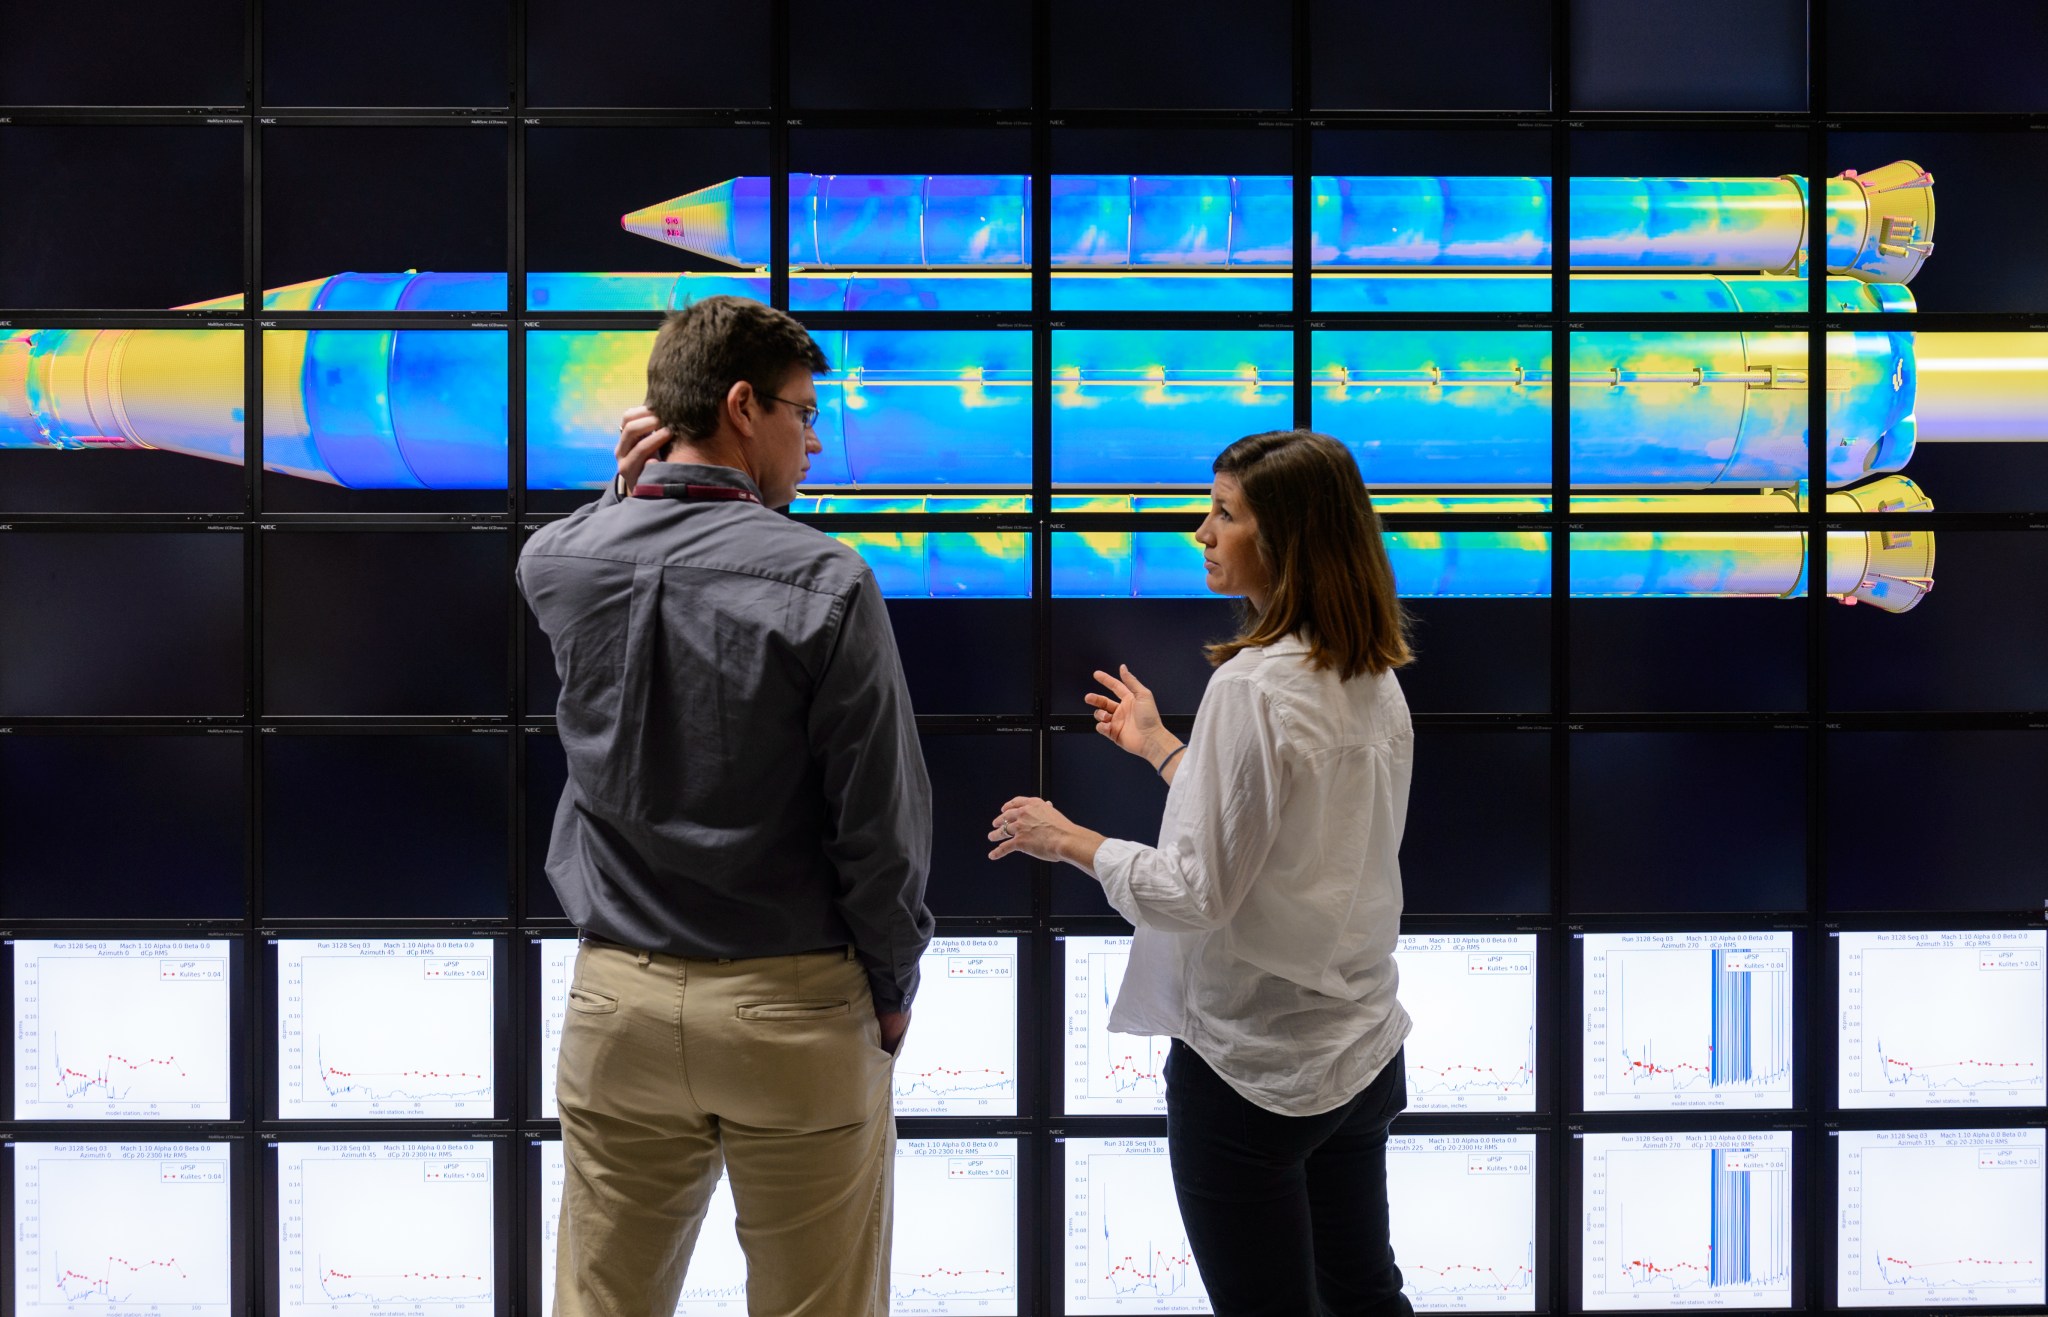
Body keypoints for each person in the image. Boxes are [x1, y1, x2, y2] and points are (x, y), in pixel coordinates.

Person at [519, 295, 934, 1317]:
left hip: (614, 1003)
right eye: (800, 411)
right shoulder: (828, 581)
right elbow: (877, 825)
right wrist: (888, 986)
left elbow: (584, 539)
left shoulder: (560, 560)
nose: (814, 438)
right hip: (791, 1012)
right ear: (741, 407)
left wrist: (622, 490)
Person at [989, 429, 1417, 1316]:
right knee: (1367, 1296)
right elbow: (1275, 837)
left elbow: (1197, 890)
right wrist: (1163, 748)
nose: (1202, 531)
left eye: (1225, 514)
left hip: (1253, 1076)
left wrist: (1067, 837)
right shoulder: (1371, 674)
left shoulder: (1254, 686)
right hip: (1360, 1053)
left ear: (1286, 538)